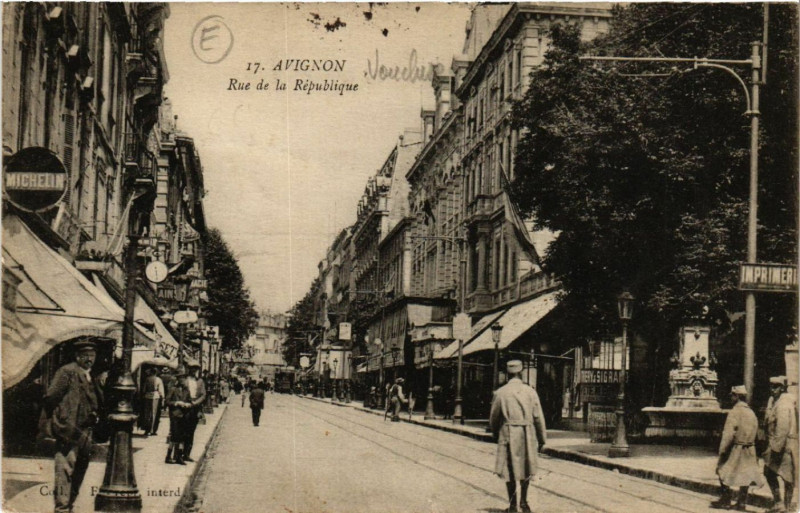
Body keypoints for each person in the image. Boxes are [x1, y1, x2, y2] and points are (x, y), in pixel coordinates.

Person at [41, 339, 101, 513]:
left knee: (81, 468)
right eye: (85, 355)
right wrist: (62, 418)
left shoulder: (89, 374)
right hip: (70, 430)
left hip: (86, 431)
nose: (89, 359)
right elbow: (51, 396)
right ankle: (62, 508)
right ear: (77, 356)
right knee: (66, 468)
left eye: (92, 355)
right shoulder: (67, 371)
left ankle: (69, 505)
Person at [489, 360, 547, 513]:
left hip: (508, 433)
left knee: (509, 470)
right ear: (521, 373)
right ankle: (524, 503)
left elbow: (494, 417)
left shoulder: (500, 392)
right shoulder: (530, 392)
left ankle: (513, 505)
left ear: (507, 374)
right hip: (527, 433)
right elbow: (538, 417)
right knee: (526, 467)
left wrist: (495, 433)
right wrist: (542, 438)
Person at [712, 385, 765, 510]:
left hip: (736, 449)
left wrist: (723, 451)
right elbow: (757, 433)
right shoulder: (751, 413)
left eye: (732, 395)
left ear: (737, 396)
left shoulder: (734, 412)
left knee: (721, 470)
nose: (731, 397)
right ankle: (741, 502)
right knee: (746, 475)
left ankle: (725, 500)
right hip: (750, 448)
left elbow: (728, 434)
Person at [763, 376, 798, 513]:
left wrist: (776, 448)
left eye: (776, 387)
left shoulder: (783, 404)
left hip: (783, 445)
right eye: (771, 387)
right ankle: (781, 505)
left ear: (782, 388)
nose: (772, 389)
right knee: (775, 473)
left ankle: (784, 506)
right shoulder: (776, 402)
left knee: (784, 476)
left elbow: (782, 428)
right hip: (783, 444)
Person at [165, 365, 191, 465]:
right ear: (178, 379)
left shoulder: (186, 390)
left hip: (184, 415)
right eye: (181, 378)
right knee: (174, 436)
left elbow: (189, 401)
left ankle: (179, 457)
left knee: (182, 437)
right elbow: (167, 401)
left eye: (184, 378)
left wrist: (188, 404)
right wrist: (176, 403)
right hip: (175, 415)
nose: (183, 380)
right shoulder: (173, 389)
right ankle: (168, 456)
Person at [182, 362, 206, 462]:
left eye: (195, 369)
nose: (193, 371)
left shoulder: (200, 381)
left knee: (191, 431)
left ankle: (187, 454)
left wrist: (196, 403)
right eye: (192, 368)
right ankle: (179, 454)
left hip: (194, 408)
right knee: (182, 431)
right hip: (184, 407)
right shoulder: (184, 380)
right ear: (188, 369)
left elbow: (203, 395)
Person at [141, 367, 165, 436]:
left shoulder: (147, 379)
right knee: (154, 413)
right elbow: (161, 390)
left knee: (147, 413)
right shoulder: (158, 379)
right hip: (155, 396)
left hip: (147, 396)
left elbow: (144, 389)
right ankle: (152, 430)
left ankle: (147, 430)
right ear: (156, 372)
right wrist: (163, 398)